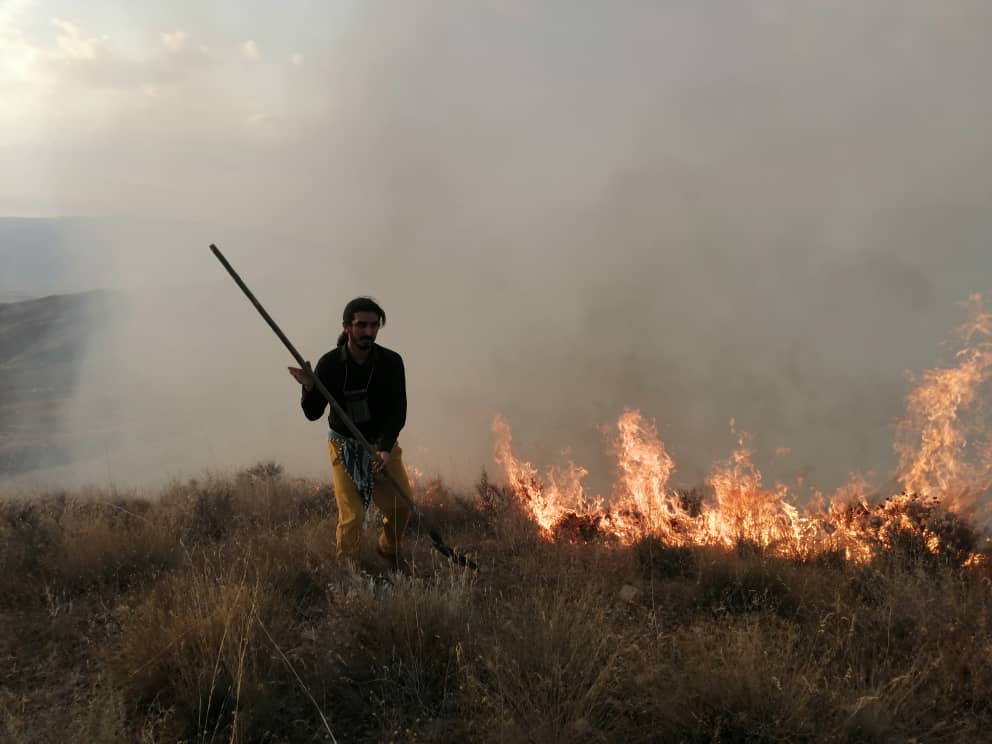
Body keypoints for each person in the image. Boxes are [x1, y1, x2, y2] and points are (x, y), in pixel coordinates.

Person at [288, 297, 413, 567]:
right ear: (346, 327)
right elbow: (313, 413)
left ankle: (387, 549)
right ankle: (347, 571)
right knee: (353, 516)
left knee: (401, 506)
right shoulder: (330, 364)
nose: (368, 332)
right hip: (344, 446)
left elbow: (397, 411)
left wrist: (384, 447)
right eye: (361, 325)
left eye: (374, 325)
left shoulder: (391, 362)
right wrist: (310, 386)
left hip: (381, 447)